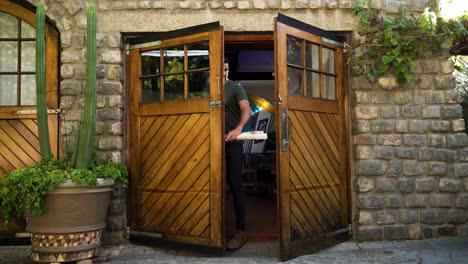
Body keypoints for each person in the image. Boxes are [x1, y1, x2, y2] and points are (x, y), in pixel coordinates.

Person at [224, 58, 252, 250]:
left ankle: (241, 230)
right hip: (210, 143)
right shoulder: (204, 88)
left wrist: (239, 128)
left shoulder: (235, 87)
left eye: (226, 68)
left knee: (234, 183)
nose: (224, 72)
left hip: (232, 142)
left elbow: (247, 110)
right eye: (221, 69)